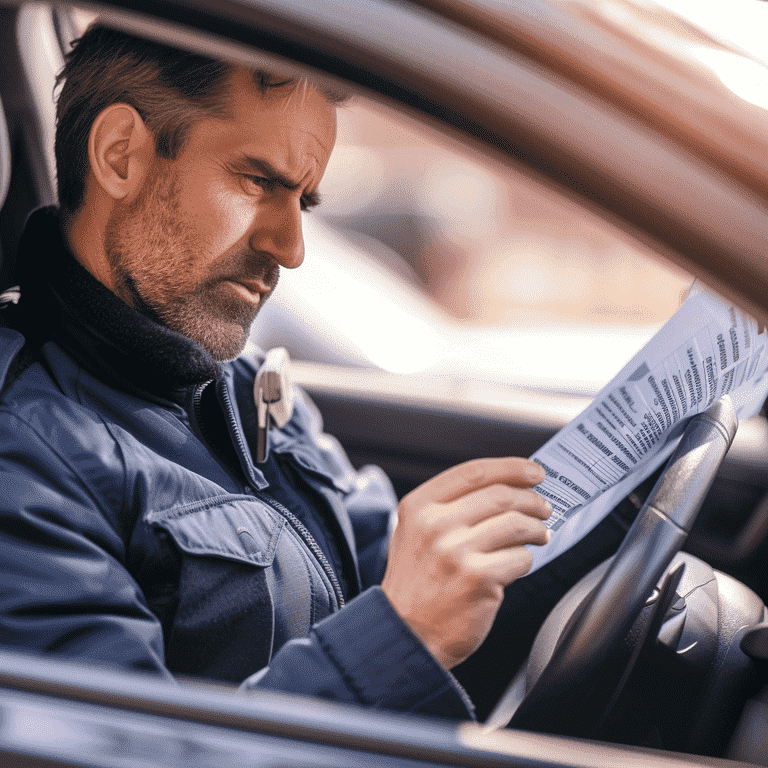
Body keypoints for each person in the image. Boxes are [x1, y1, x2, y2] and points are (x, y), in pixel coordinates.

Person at [0, 25, 638, 720]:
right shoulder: (24, 453)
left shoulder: (238, 384)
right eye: (257, 182)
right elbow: (115, 750)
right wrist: (400, 637)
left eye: (302, 201)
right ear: (121, 156)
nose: (292, 247)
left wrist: (623, 501)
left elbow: (380, 562)